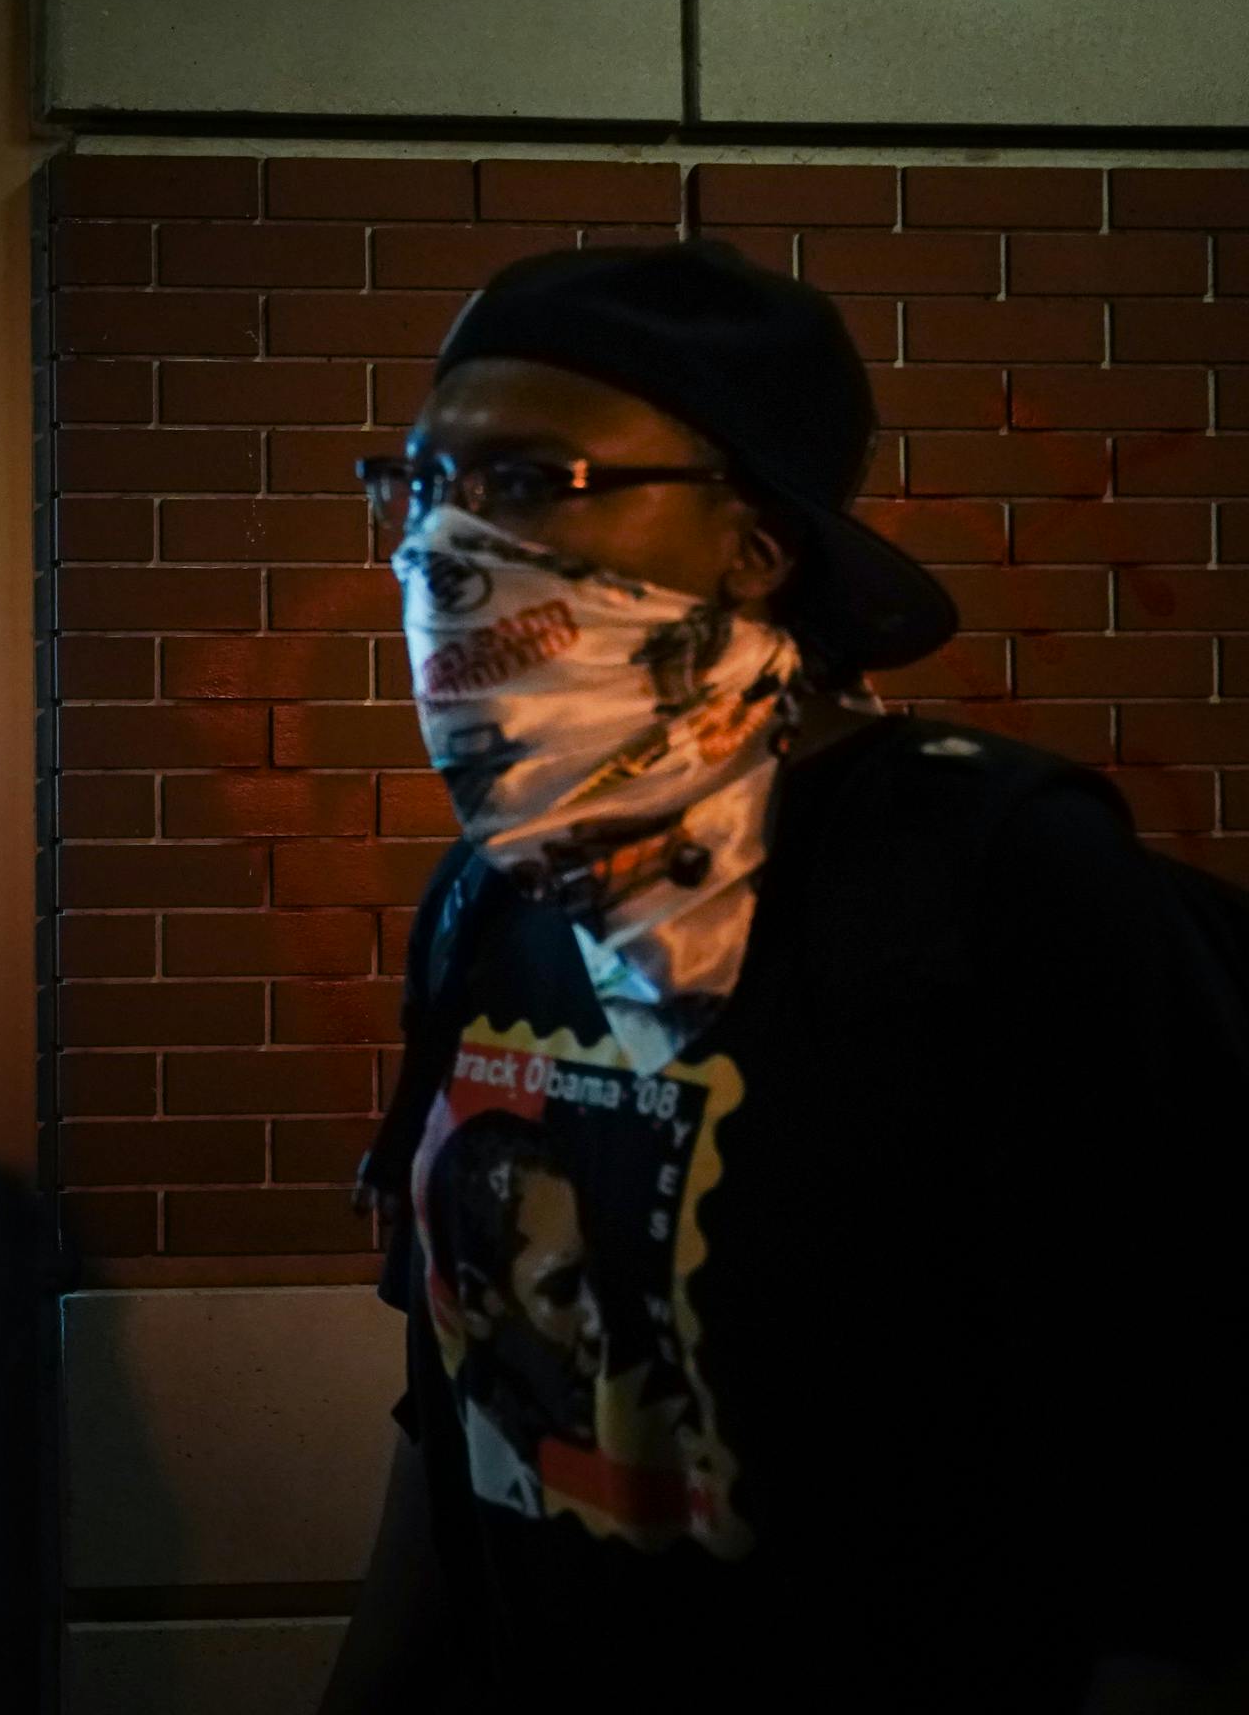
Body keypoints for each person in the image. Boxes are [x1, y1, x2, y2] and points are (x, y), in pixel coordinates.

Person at [316, 240, 1249, 1714]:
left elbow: (1188, 1474)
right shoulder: (490, 903)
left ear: (758, 546)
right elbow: (455, 1419)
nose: (442, 544)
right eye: (423, 482)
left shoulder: (988, 872)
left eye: (527, 483)